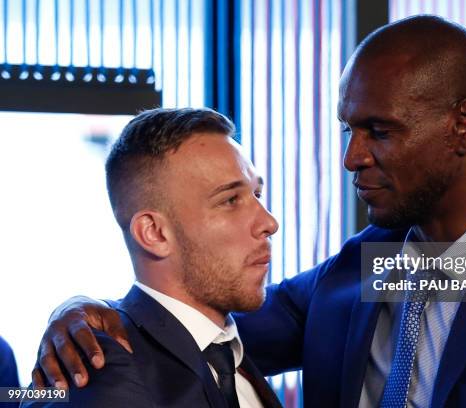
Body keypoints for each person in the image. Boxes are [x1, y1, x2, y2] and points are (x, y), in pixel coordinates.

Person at [30, 15, 466, 408]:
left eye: (378, 131)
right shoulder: (359, 267)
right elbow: (192, 325)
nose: (353, 156)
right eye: (349, 129)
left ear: (463, 125)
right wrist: (85, 309)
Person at [24, 108, 282, 407]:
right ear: (154, 233)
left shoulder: (231, 353)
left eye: (257, 195)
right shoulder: (99, 371)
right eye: (230, 200)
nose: (269, 223)